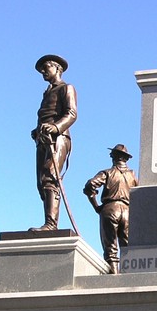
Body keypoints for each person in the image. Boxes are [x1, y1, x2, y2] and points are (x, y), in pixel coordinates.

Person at [29, 54, 77, 232]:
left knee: (50, 177)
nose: (43, 71)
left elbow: (71, 114)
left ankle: (51, 224)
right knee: (41, 183)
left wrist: (56, 128)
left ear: (58, 68)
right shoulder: (47, 93)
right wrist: (37, 131)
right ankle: (49, 221)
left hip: (59, 138)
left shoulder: (67, 88)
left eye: (46, 67)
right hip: (43, 140)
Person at [83, 145, 138, 274]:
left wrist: (96, 206)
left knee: (110, 248)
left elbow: (90, 186)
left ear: (113, 157)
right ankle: (128, 276)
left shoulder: (107, 173)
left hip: (110, 209)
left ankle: (113, 278)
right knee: (128, 246)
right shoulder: (133, 176)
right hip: (128, 211)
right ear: (125, 159)